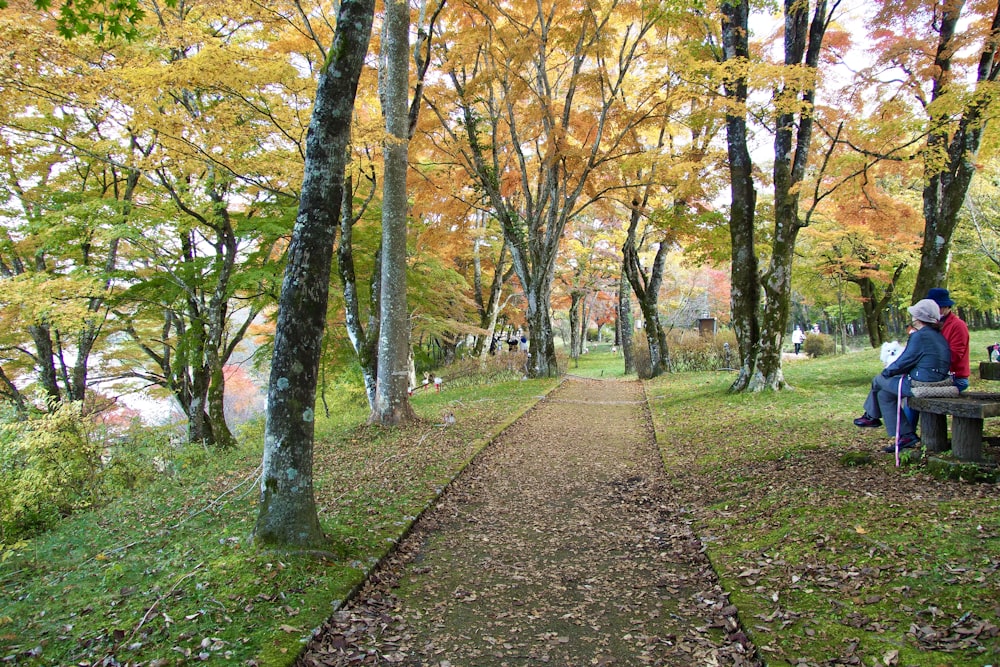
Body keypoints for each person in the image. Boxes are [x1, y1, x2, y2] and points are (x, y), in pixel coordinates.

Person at [854, 299, 952, 452]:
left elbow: (905, 361)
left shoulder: (920, 336)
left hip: (922, 383)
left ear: (919, 317)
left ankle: (871, 416)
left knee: (878, 380)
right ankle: (905, 435)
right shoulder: (936, 335)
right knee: (884, 395)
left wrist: (887, 372)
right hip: (937, 379)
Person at [927, 287, 970, 393]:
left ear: (945, 306)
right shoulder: (930, 324)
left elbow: (954, 356)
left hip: (955, 378)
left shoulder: (958, 325)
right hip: (934, 376)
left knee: (915, 395)